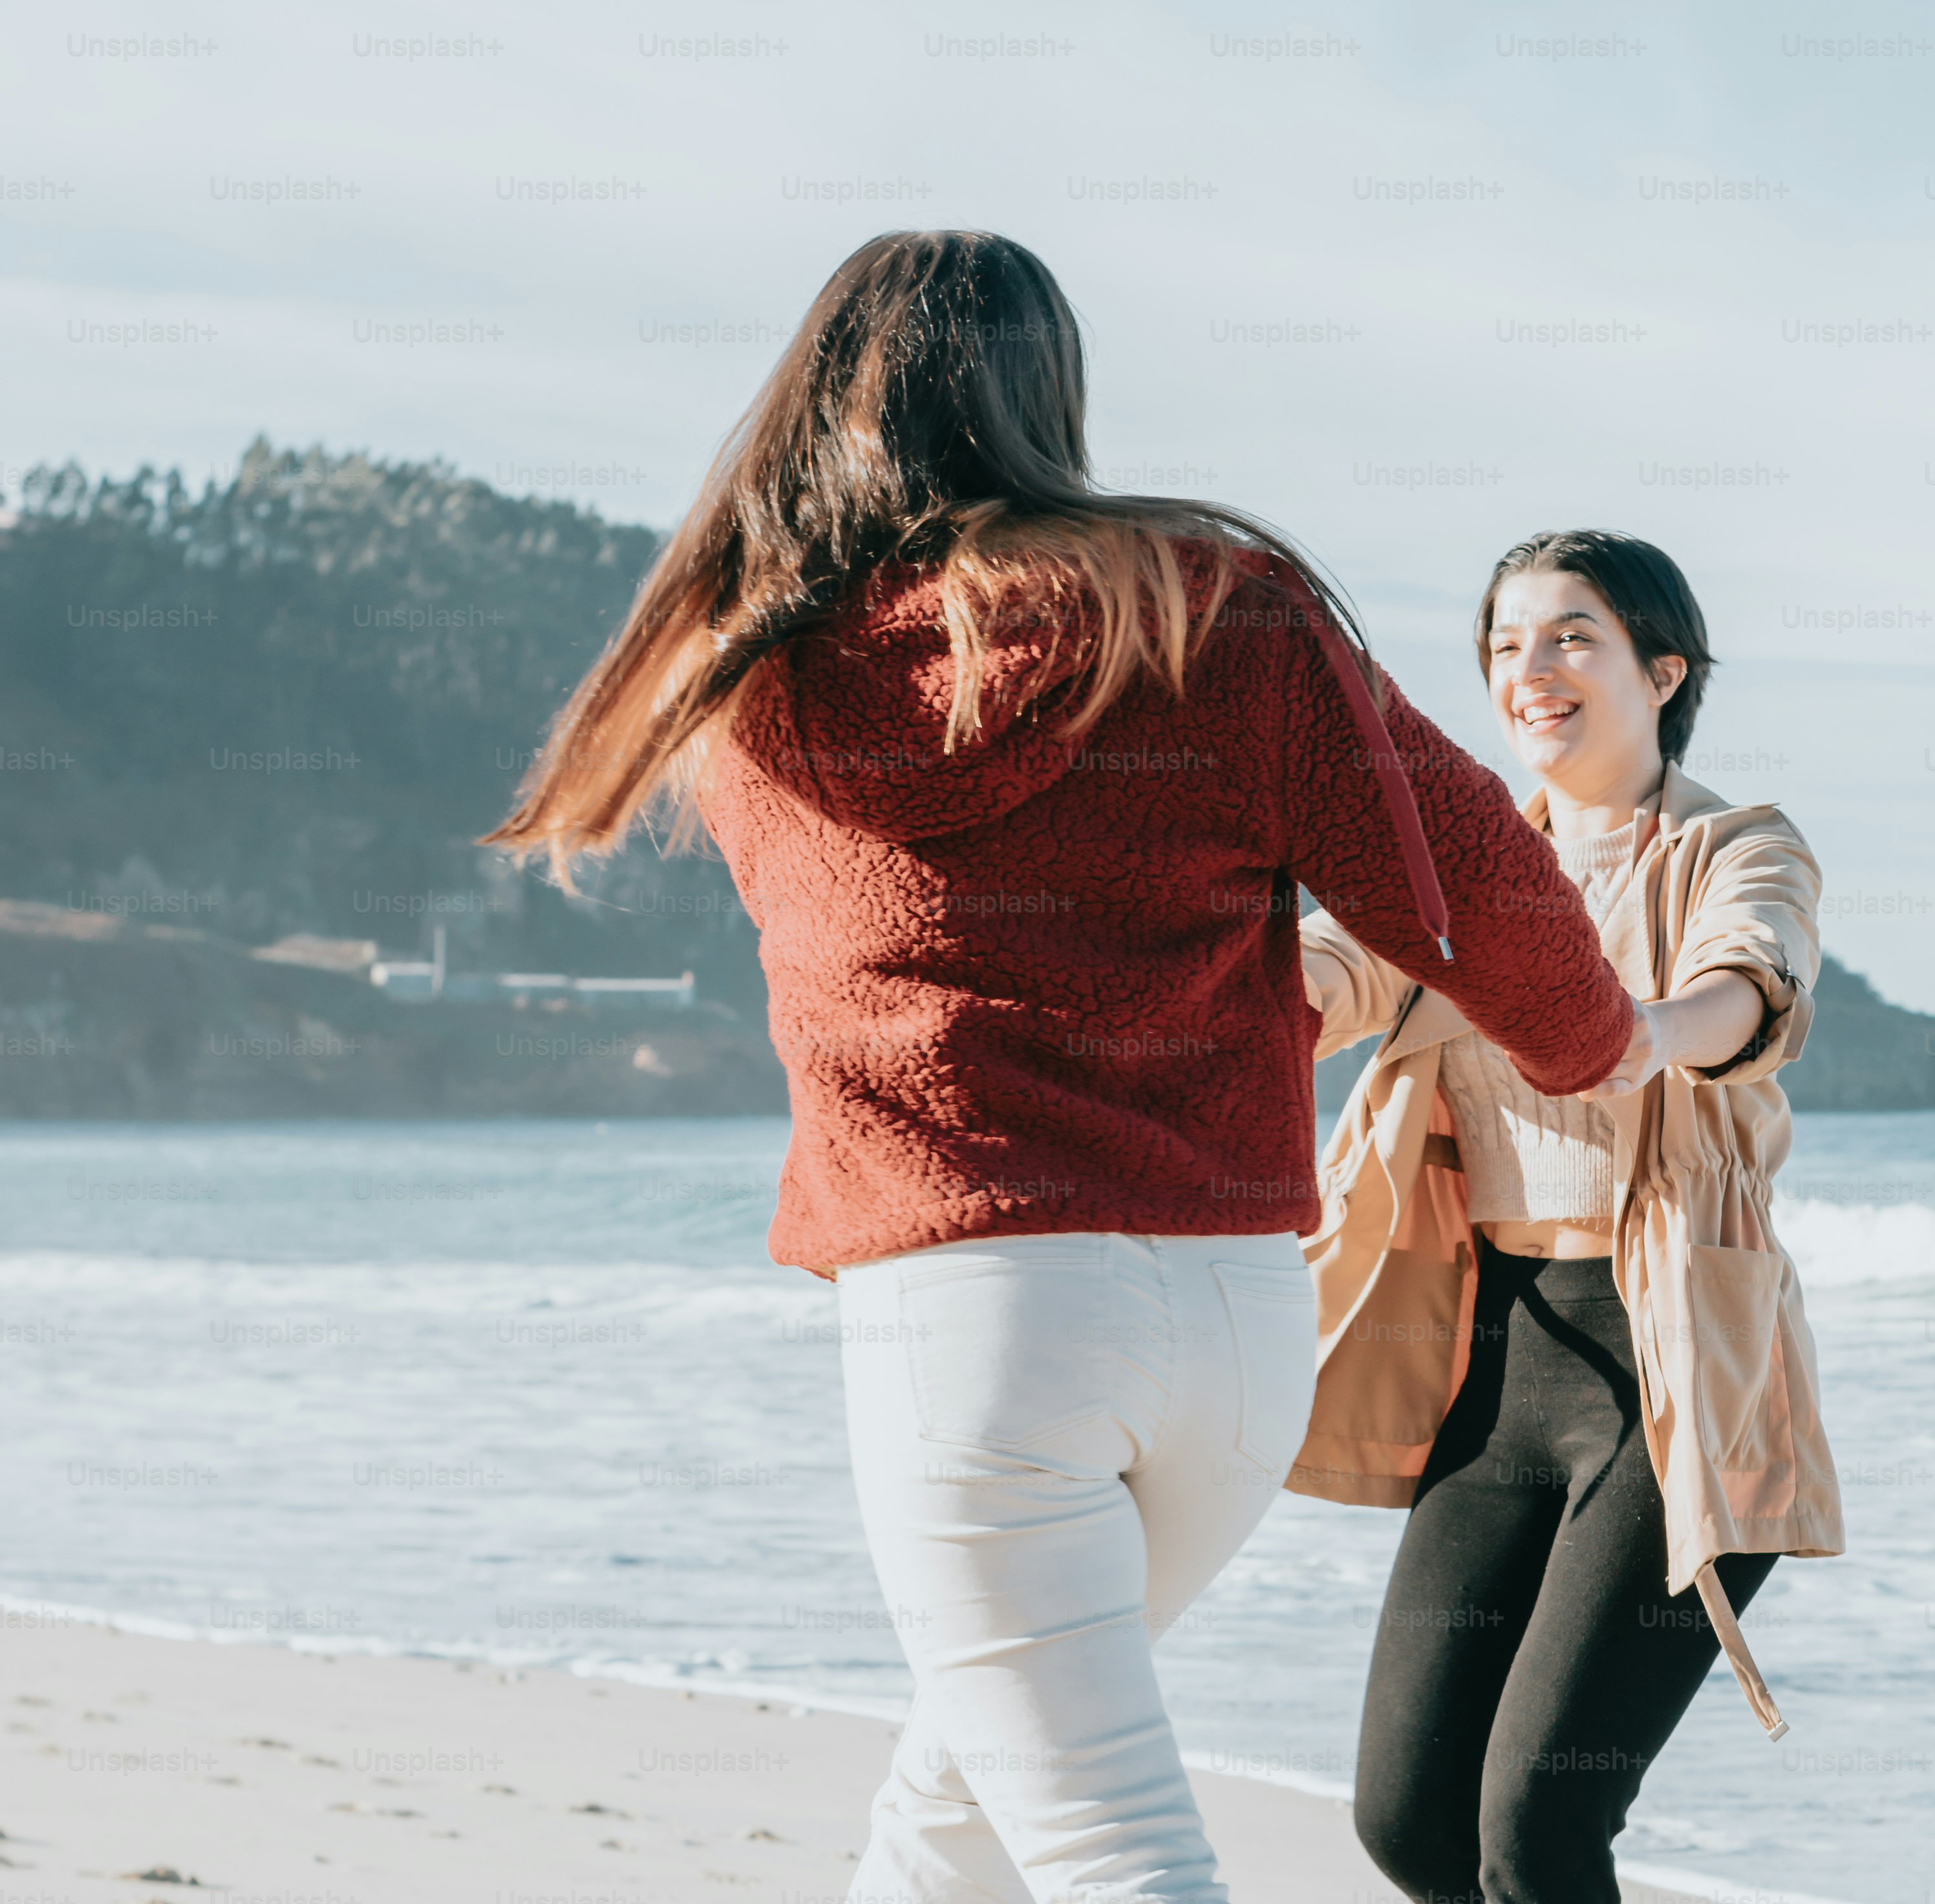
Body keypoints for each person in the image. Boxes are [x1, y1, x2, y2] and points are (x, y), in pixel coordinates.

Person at [484, 232, 1644, 1904]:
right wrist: (1596, 1042)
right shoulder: (1216, 610)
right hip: (1246, 1333)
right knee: (952, 1807)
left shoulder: (747, 682)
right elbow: (1491, 897)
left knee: (1111, 1849)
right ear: (1054, 403)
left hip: (980, 1323)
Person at [1293, 530, 1844, 1904]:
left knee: (1538, 1833)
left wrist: (1642, 1031)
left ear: (1662, 672)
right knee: (1411, 1826)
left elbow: (1755, 979)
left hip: (1675, 1387)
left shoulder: (1737, 846)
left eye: (1569, 637)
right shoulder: (1452, 872)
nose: (1528, 671)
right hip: (1495, 1381)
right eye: (1502, 645)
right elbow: (1334, 970)